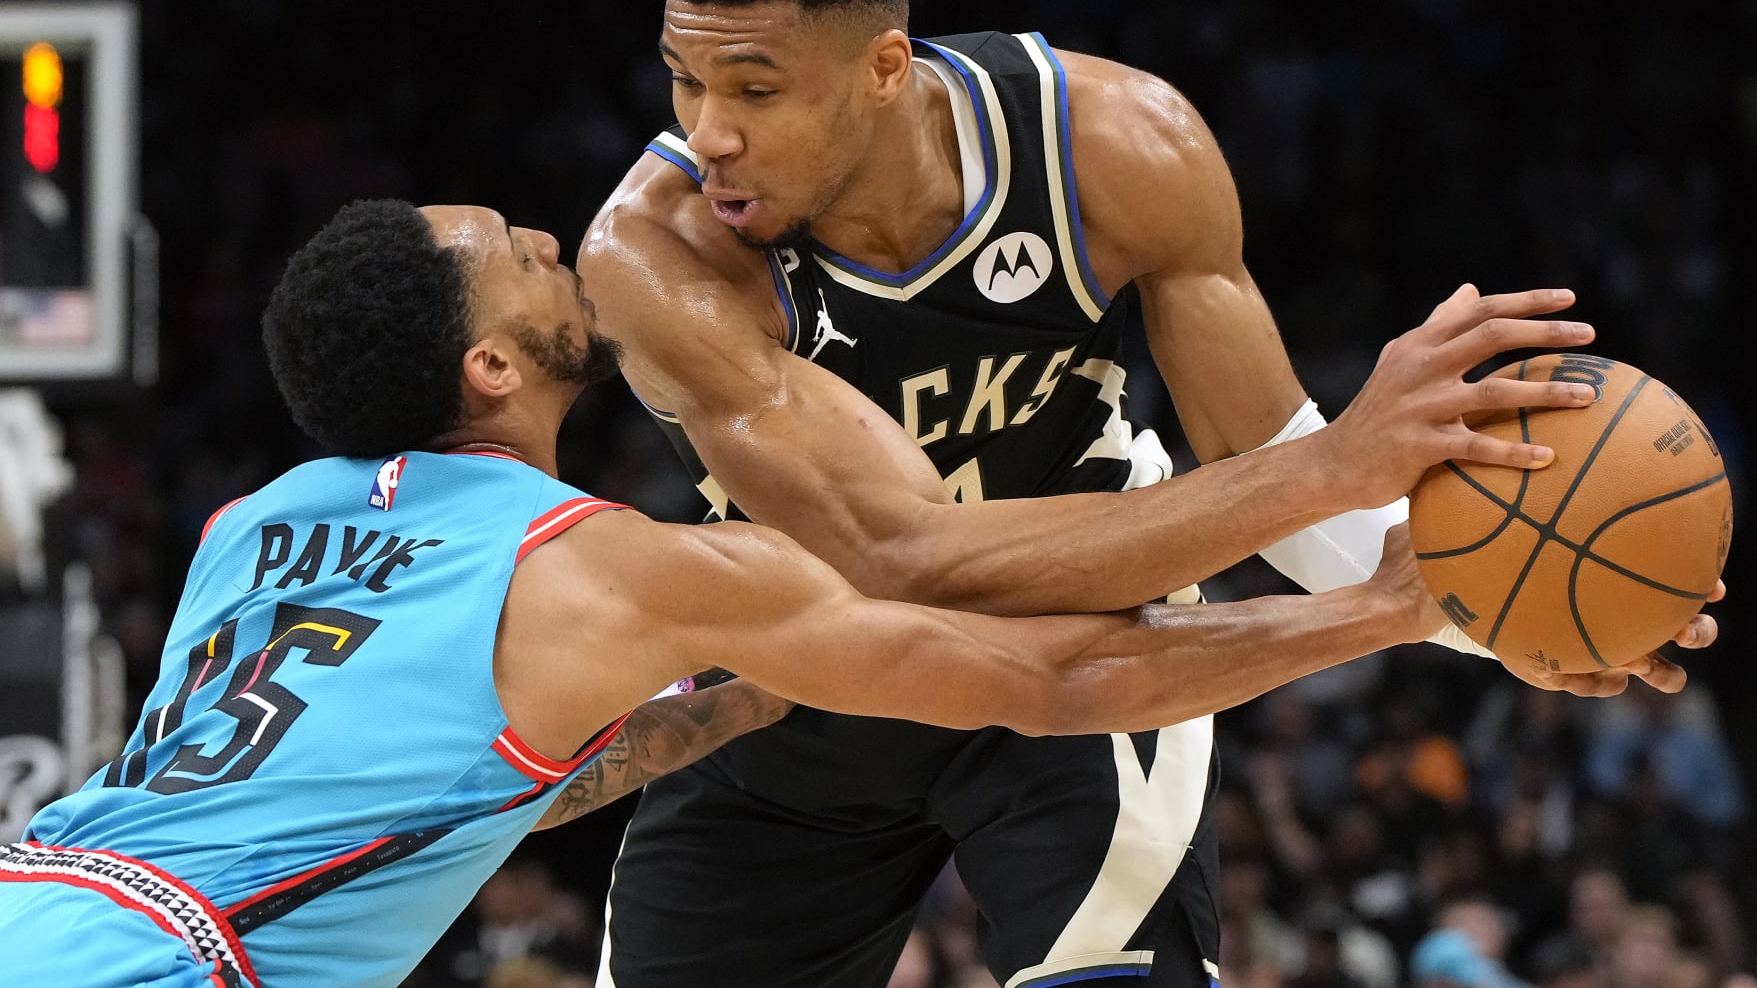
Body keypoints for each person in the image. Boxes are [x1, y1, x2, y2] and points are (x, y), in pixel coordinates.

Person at [577, 0, 1722, 988]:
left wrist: (1501, 606)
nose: (710, 130)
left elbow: (1258, 452)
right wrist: (1336, 473)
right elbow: (899, 556)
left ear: (884, 66)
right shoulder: (658, 256)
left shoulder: (1111, 148)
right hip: (804, 687)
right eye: (688, 82)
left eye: (755, 90)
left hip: (1101, 650)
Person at [0, 200, 1447, 988]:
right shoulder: (608, 570)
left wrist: (743, 696)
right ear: (488, 372)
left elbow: (464, 776)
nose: (551, 243)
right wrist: (1380, 607)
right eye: (514, 254)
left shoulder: (248, 528)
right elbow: (1061, 686)